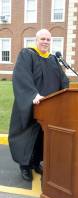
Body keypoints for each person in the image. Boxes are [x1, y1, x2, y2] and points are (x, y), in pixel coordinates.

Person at [8, 29, 69, 181]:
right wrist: (33, 95)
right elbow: (21, 77)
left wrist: (68, 91)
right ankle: (25, 166)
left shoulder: (53, 59)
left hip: (49, 107)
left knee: (42, 137)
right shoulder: (27, 54)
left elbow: (62, 80)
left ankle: (35, 163)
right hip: (32, 104)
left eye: (48, 40)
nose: (45, 42)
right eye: (42, 39)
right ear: (36, 40)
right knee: (28, 136)